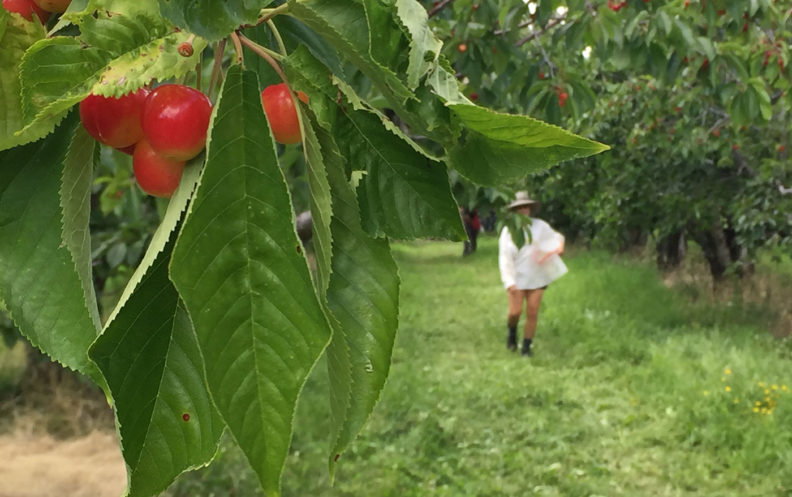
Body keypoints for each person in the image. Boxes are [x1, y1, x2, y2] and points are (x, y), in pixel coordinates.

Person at [498, 192, 567, 356]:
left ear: (530, 208)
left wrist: (559, 247)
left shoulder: (540, 226)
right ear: (514, 210)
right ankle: (512, 333)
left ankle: (526, 347)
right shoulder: (508, 231)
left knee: (532, 311)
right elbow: (504, 257)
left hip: (537, 276)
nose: (523, 210)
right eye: (519, 207)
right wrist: (509, 281)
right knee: (515, 312)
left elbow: (557, 237)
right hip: (517, 277)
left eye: (526, 207)